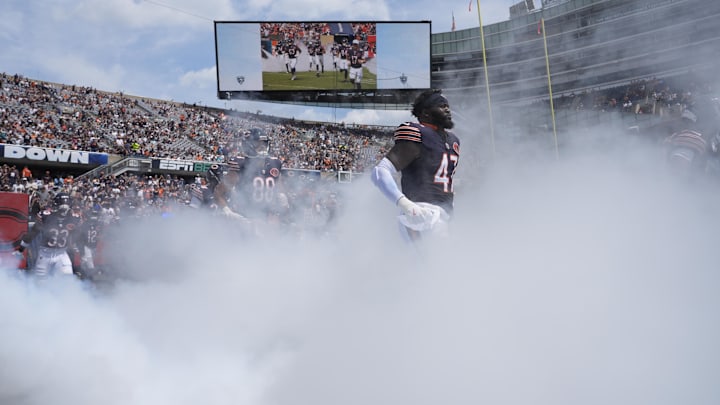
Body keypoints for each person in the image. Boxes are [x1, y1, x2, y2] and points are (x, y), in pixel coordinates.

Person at [371, 89, 460, 241]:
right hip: (421, 213)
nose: (447, 109)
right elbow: (380, 172)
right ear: (426, 113)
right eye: (441, 105)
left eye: (447, 105)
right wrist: (406, 205)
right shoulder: (418, 133)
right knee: (434, 262)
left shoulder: (453, 141)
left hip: (443, 215)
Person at [19, 192, 81, 279]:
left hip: (61, 254)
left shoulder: (47, 215)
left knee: (67, 281)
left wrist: (21, 249)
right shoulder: (74, 217)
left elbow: (33, 233)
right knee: (41, 283)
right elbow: (33, 232)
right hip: (46, 254)